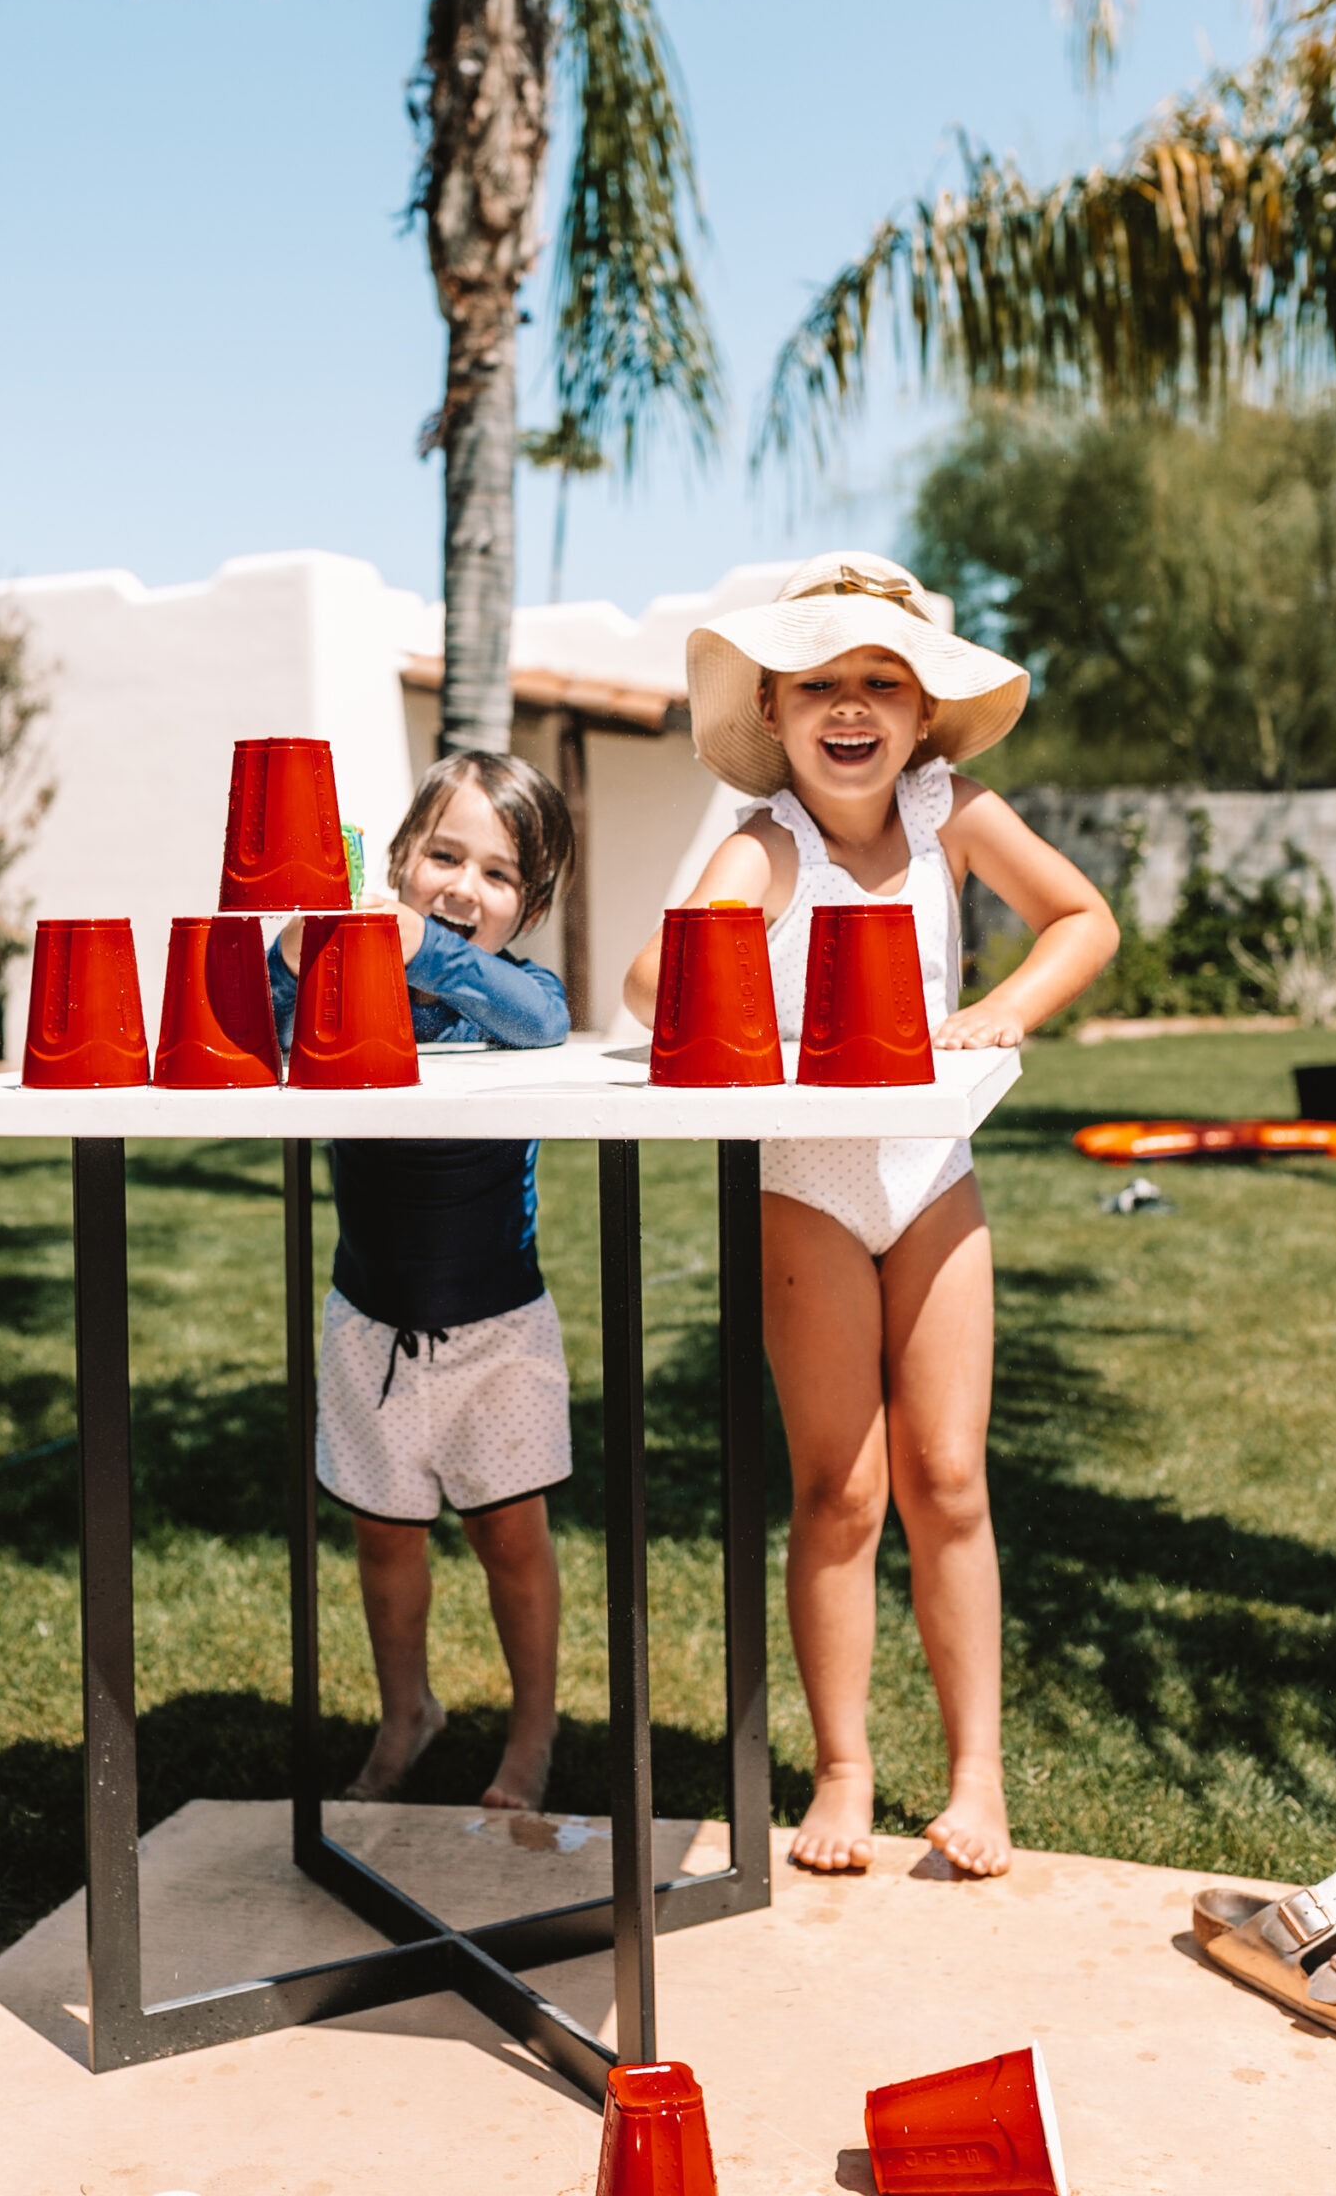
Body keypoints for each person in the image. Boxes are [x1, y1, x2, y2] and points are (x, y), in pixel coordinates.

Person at [623, 553, 1118, 1879]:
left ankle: (975, 1779)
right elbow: (641, 983)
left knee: (946, 1480)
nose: (850, 708)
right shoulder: (760, 841)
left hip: (930, 1174)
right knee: (838, 1494)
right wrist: (713, 942)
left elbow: (1079, 918)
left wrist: (1005, 1005)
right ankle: (840, 1770)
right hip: (807, 1186)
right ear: (775, 717)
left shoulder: (950, 809)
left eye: (877, 684)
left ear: (918, 711)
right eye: (818, 686)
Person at [270, 751, 575, 1813]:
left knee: (511, 1535)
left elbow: (543, 1023)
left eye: (497, 875)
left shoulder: (515, 993)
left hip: (499, 1327)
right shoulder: (346, 988)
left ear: (528, 905)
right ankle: (407, 1715)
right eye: (444, 856)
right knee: (384, 1534)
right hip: (371, 1322)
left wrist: (431, 953)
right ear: (398, 861)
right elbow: (265, 1037)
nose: (461, 887)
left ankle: (529, 1742)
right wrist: (297, 953)